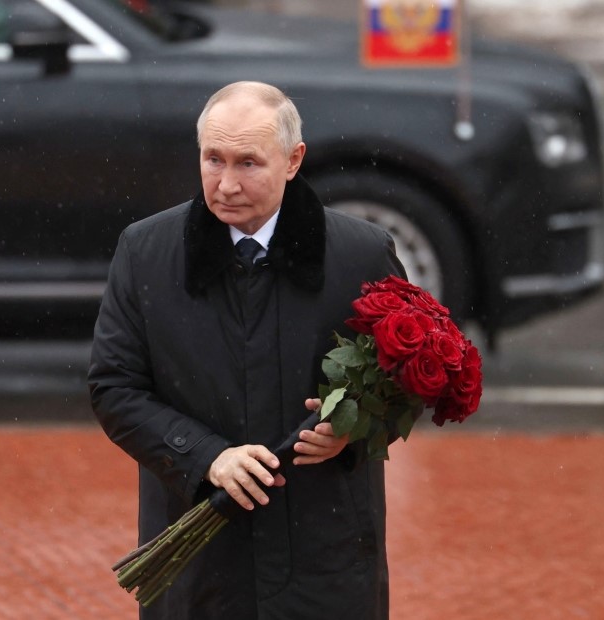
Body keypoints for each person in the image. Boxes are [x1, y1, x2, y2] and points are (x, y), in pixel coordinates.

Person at [88, 81, 405, 620]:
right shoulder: (144, 251)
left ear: (293, 160)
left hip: (326, 560)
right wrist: (206, 456)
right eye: (213, 159)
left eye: (248, 163)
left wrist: (354, 429)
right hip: (200, 572)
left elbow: (407, 379)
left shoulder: (362, 255)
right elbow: (114, 388)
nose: (227, 184)